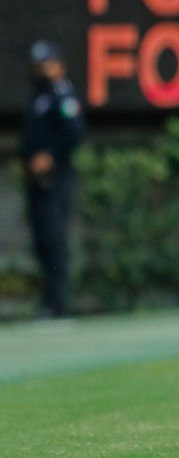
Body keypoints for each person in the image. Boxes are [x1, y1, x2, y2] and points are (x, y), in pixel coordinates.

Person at [19, 40, 85, 318]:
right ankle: (48, 300)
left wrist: (50, 156)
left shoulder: (62, 95)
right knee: (41, 240)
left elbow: (74, 133)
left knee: (54, 238)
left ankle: (59, 303)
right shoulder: (39, 96)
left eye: (45, 64)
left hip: (56, 180)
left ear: (59, 65)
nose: (40, 70)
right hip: (36, 182)